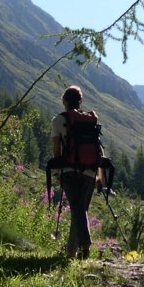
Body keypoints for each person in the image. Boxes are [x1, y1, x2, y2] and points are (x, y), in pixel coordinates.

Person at [51, 85, 97, 259]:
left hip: (69, 170)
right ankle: (71, 253)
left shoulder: (58, 120)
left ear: (64, 101)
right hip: (90, 172)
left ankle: (84, 247)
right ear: (80, 102)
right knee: (80, 210)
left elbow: (56, 151)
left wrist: (57, 172)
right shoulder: (90, 120)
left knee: (77, 209)